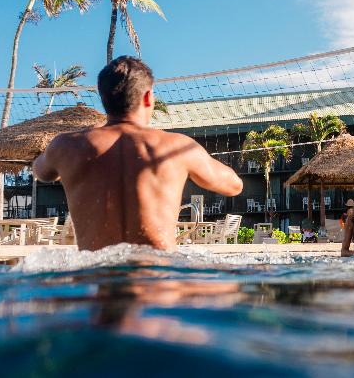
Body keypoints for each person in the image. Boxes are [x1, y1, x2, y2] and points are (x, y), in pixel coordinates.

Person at [32, 57, 243, 251]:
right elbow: (234, 185)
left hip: (96, 275)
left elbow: (41, 171)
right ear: (149, 97)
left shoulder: (66, 146)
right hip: (157, 276)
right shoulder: (178, 147)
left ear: (103, 98)